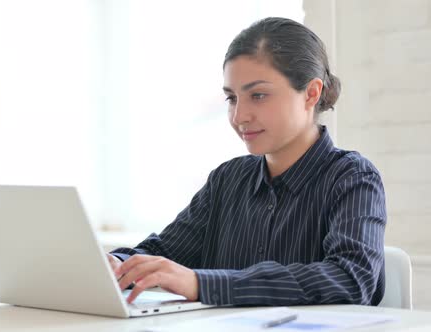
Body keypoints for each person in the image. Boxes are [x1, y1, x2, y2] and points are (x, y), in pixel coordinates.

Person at [106, 17, 387, 306]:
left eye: (258, 95)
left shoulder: (353, 178)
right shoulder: (228, 179)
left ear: (311, 94)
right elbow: (164, 252)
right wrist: (116, 263)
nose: (239, 116)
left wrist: (203, 283)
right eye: (231, 98)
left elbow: (351, 279)